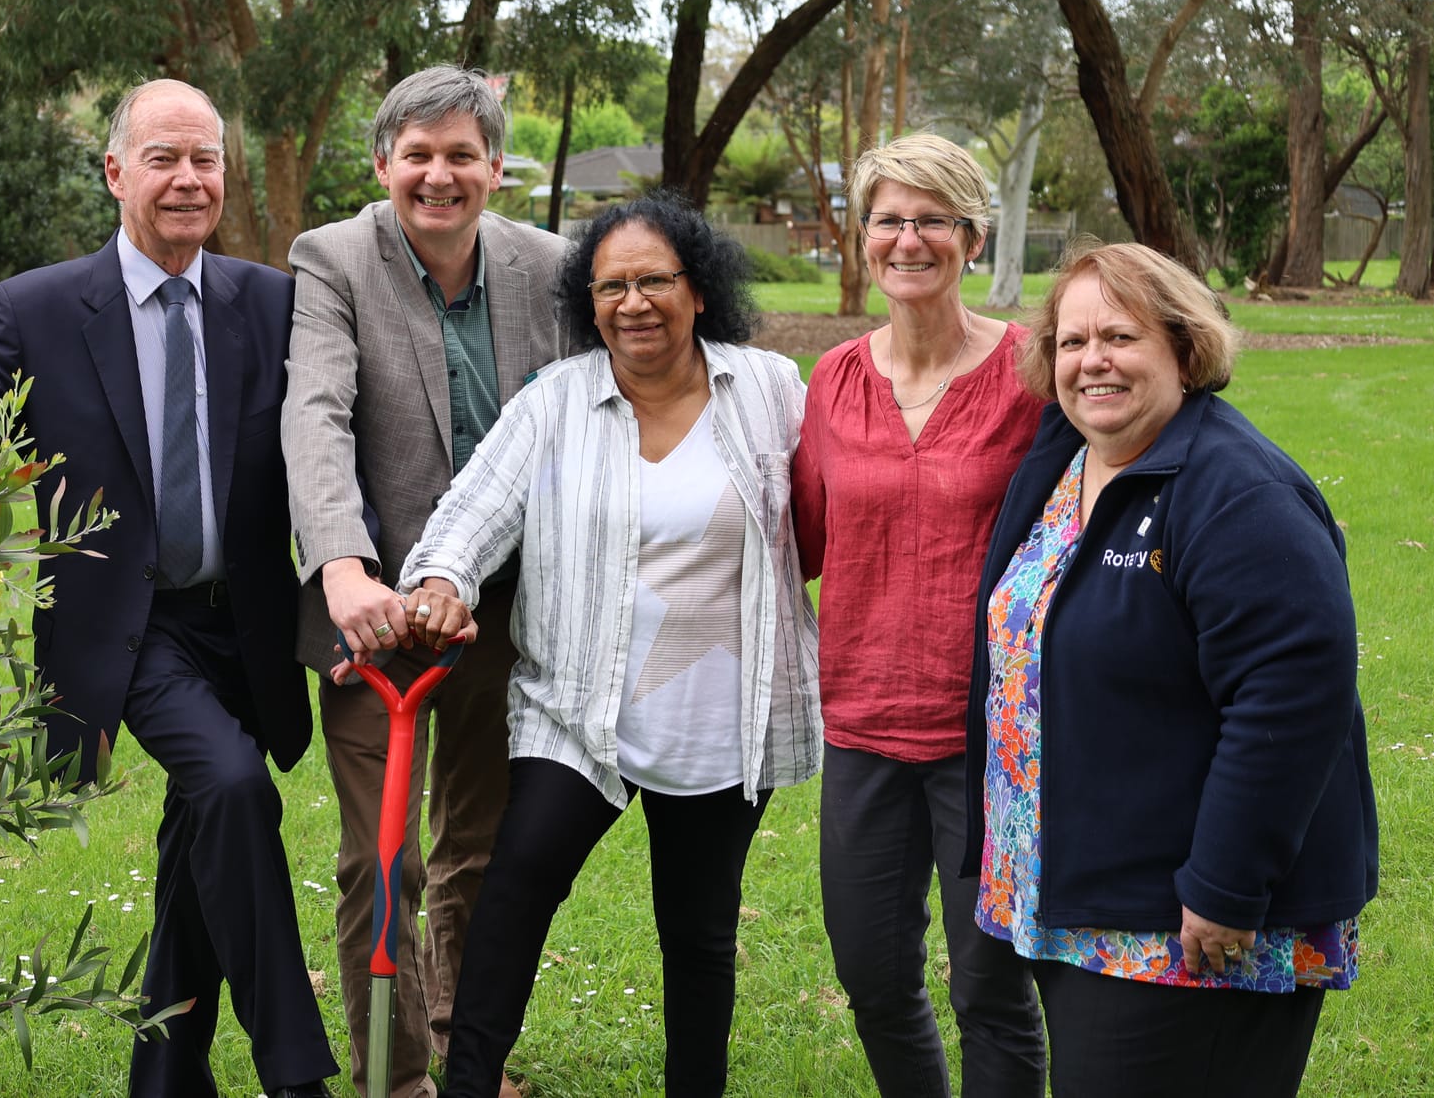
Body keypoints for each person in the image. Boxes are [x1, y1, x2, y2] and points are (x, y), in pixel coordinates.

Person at [0, 79, 337, 1097]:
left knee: (204, 827)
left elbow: (328, 438)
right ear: (115, 172)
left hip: (240, 623)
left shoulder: (271, 300)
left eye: (204, 158)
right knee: (234, 789)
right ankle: (297, 1073)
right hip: (126, 626)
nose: (187, 178)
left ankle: (165, 1077)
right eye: (163, 157)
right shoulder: (37, 308)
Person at [394, 193, 822, 1098]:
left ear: (698, 289)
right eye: (612, 286)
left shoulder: (772, 391)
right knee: (513, 896)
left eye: (655, 280)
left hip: (721, 714)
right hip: (578, 708)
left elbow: (836, 507)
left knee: (699, 934)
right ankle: (468, 1085)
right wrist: (440, 582)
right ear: (588, 304)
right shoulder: (556, 403)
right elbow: (470, 515)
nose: (635, 302)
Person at [962, 242, 1378, 1097]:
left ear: (1184, 349)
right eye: (1072, 342)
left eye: (1121, 336)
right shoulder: (1067, 463)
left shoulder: (1233, 488)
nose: (1092, 361)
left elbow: (1294, 689)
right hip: (1082, 898)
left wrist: (1225, 885)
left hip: (1186, 927)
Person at [283, 66, 570, 1098]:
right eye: (417, 154)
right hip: (372, 612)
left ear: (495, 166)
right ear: (382, 163)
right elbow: (313, 416)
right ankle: (397, 1080)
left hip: (502, 607)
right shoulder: (332, 259)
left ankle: (461, 1046)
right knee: (379, 856)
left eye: (461, 155)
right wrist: (345, 570)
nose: (438, 175)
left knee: (479, 843)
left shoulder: (549, 267)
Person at [789, 133, 1046, 1097]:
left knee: (991, 985)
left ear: (972, 238)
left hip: (988, 731)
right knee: (870, 972)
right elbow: (805, 540)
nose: (909, 239)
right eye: (889, 220)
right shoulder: (833, 380)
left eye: (933, 219)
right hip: (859, 723)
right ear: (863, 238)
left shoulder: (1031, 373)